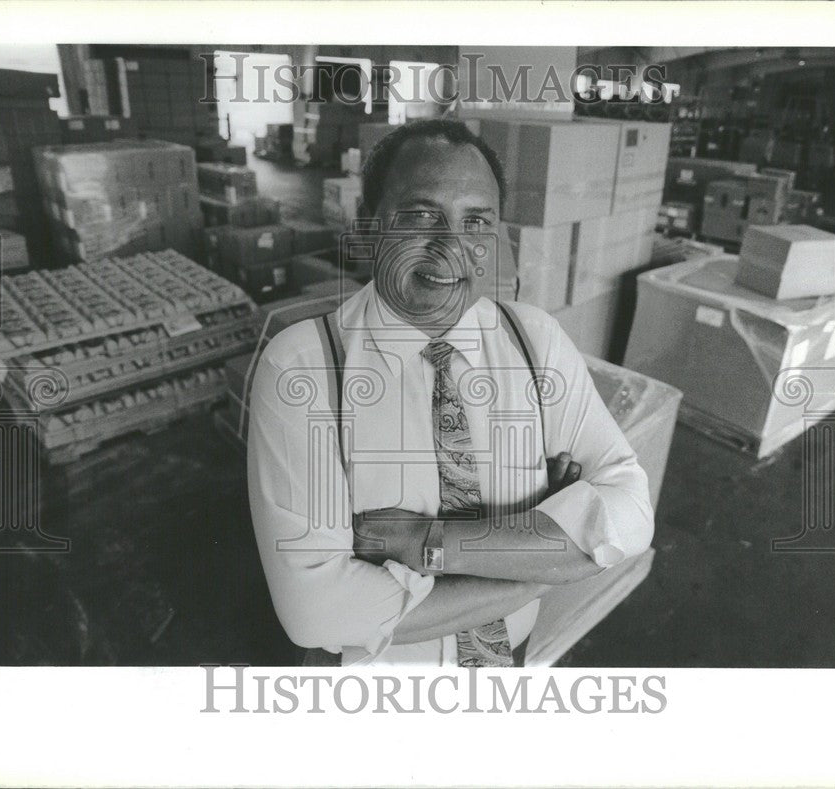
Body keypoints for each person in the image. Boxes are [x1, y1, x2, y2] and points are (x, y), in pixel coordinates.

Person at [247, 118, 654, 667]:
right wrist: (544, 561)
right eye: (420, 216)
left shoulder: (534, 340)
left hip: (509, 656)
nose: (451, 248)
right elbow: (315, 611)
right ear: (368, 226)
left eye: (476, 221)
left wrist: (429, 543)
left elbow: (630, 510)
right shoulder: (304, 370)